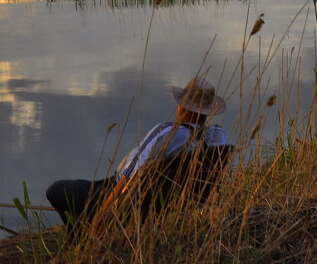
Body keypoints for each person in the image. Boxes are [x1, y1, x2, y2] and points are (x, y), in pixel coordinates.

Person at [46, 76, 232, 227]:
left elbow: (129, 176)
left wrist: (102, 219)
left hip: (128, 198)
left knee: (57, 190)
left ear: (181, 106)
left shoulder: (166, 132)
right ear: (208, 112)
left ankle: (80, 235)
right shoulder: (219, 137)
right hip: (168, 202)